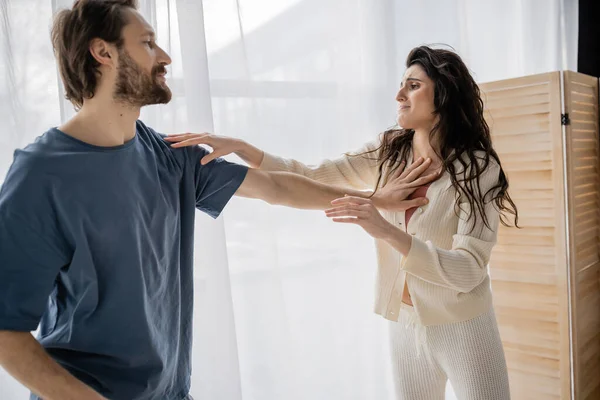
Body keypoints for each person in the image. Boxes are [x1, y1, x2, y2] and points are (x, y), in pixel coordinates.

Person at [0, 1, 435, 400]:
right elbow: (6, 333)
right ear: (104, 53)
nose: (165, 58)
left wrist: (372, 199)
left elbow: (276, 188)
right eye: (148, 44)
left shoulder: (170, 157)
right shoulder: (42, 175)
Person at [167, 46, 520, 400]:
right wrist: (243, 147)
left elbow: (470, 269)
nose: (399, 95)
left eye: (412, 85)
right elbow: (311, 175)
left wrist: (384, 228)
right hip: (404, 325)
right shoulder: (390, 150)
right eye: (401, 85)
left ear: (444, 94)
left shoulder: (478, 168)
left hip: (464, 326)